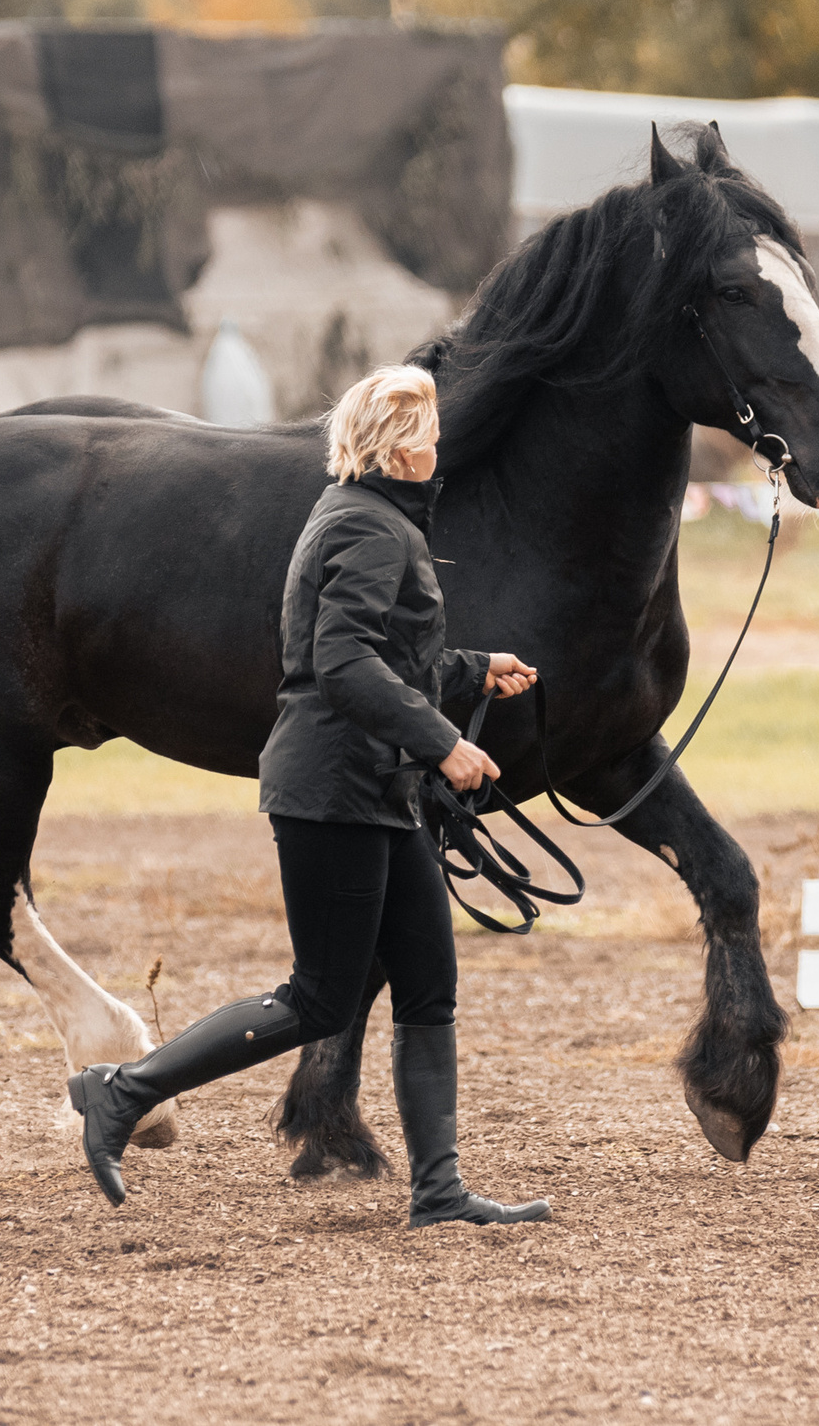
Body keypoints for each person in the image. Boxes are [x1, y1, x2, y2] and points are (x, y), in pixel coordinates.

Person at [68, 364, 552, 1228]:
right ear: (401, 446)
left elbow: (383, 659)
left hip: (372, 788)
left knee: (429, 982)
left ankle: (438, 1190)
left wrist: (474, 669)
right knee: (318, 998)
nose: (439, 445)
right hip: (334, 790)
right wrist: (445, 743)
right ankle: (122, 1089)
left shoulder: (368, 518)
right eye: (430, 432)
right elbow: (342, 664)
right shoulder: (370, 529)